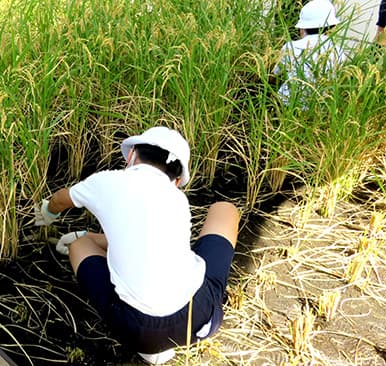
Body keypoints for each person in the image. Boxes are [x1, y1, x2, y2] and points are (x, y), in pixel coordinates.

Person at [34, 126, 240, 365]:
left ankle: (151, 348)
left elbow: (61, 199)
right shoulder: (178, 200)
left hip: (137, 330)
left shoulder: (106, 182)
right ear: (176, 181)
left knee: (79, 246)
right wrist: (93, 236)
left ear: (131, 155)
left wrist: (47, 213)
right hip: (198, 319)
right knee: (225, 211)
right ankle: (161, 344)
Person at [272, 0, 346, 106]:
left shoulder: (290, 47)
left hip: (286, 104)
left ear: (302, 28)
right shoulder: (338, 52)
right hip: (319, 107)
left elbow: (275, 74)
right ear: (332, 27)